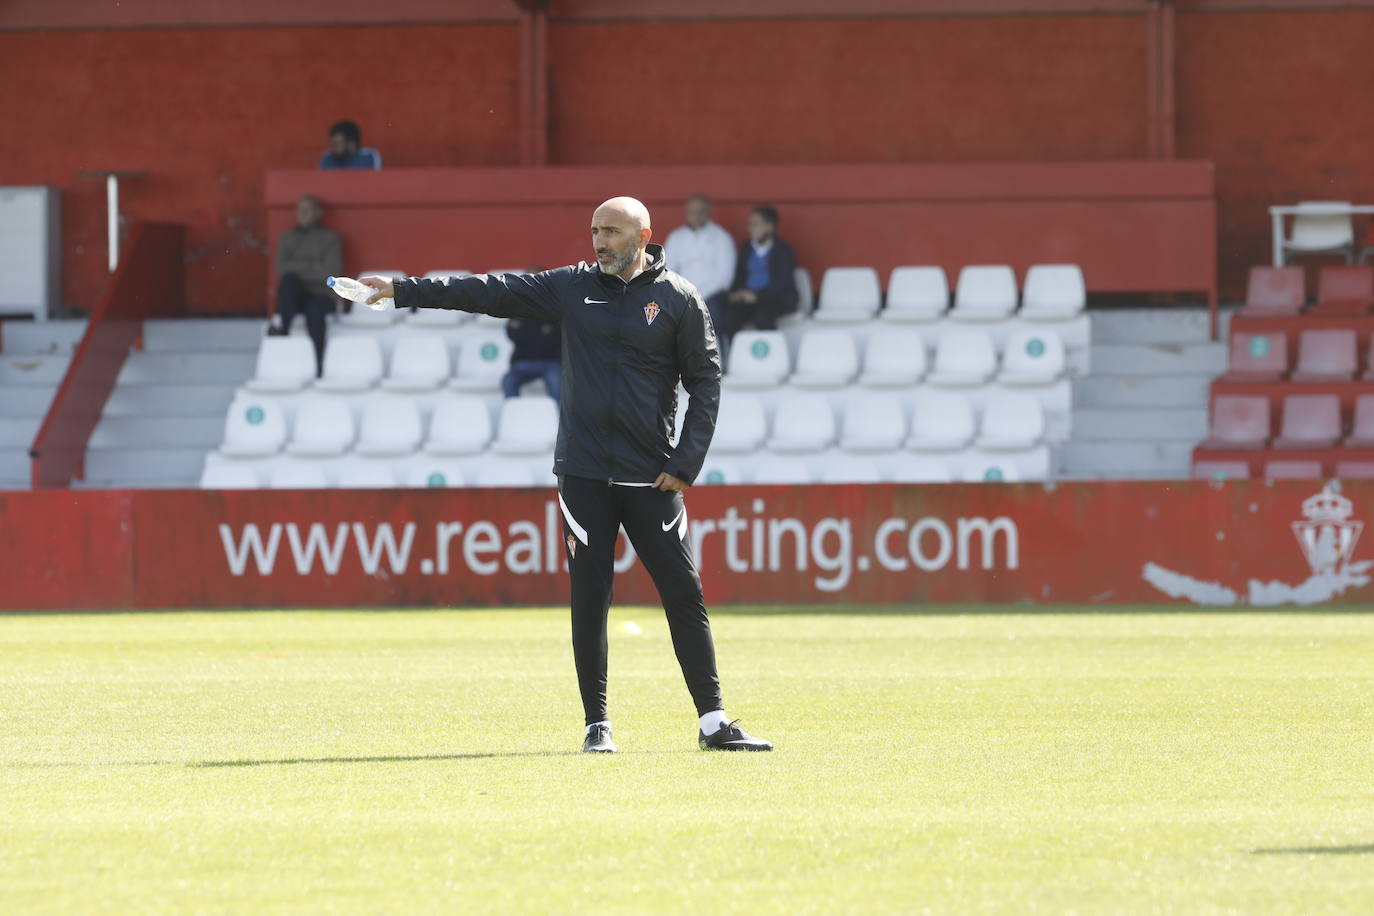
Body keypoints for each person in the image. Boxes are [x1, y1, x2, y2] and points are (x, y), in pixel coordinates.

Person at [362, 197, 772, 755]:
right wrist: (402, 289)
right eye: (594, 230)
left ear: (643, 235)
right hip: (582, 473)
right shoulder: (572, 287)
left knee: (684, 591)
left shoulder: (678, 299)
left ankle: (712, 720)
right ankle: (596, 724)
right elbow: (490, 291)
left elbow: (707, 381)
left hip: (651, 476)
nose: (599, 241)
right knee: (590, 595)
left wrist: (685, 462)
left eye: (611, 231)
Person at [268, 194, 341, 376]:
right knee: (289, 282)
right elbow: (281, 268)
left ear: (318, 213)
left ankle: (318, 362)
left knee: (314, 309)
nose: (302, 214)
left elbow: (329, 274)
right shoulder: (287, 238)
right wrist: (312, 266)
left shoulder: (330, 239)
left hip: (324, 295)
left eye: (307, 210)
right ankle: (284, 329)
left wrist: (298, 267)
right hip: (298, 294)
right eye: (300, 210)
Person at [664, 194, 735, 359]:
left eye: (701, 211)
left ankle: (718, 362)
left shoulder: (721, 238)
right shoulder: (676, 238)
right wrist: (685, 294)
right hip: (681, 294)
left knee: (714, 314)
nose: (696, 216)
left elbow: (725, 277)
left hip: (712, 295)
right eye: (692, 212)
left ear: (708, 213)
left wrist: (699, 295)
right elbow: (668, 272)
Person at [725, 205, 799, 339]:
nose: (749, 229)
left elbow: (782, 283)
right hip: (748, 299)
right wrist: (736, 293)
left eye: (755, 225)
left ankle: (769, 356)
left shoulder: (783, 251)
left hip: (775, 299)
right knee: (730, 317)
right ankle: (733, 354)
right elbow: (739, 276)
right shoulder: (747, 249)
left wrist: (757, 296)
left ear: (769, 227)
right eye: (749, 225)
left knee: (762, 317)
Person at [502, 315, 562, 400]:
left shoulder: (551, 312)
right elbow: (514, 335)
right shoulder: (519, 312)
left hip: (550, 363)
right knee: (508, 380)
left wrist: (526, 331)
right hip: (522, 364)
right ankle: (514, 410)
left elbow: (557, 338)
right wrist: (541, 333)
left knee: (556, 383)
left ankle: (558, 412)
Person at [318, 120, 383, 170]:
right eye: (332, 144)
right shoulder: (327, 158)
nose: (333, 148)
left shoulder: (369, 157)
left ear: (351, 143)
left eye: (337, 144)